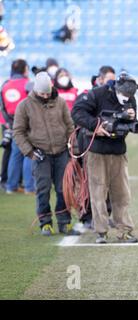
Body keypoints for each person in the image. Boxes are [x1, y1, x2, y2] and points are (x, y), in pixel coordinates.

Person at [71, 72, 138, 244]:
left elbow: (130, 123)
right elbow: (77, 112)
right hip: (97, 151)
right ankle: (101, 231)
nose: (126, 99)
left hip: (118, 150)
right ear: (117, 88)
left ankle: (125, 230)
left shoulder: (131, 99)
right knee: (98, 192)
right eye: (124, 95)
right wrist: (96, 125)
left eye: (129, 97)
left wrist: (131, 117)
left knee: (122, 193)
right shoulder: (97, 94)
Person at [13, 72, 79, 236]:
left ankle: (64, 222)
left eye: (47, 93)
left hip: (62, 152)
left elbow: (70, 126)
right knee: (42, 190)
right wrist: (31, 152)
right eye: (42, 93)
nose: (45, 96)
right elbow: (18, 132)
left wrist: (73, 147)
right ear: (35, 90)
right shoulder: (24, 106)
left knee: (64, 189)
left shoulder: (61, 102)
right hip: (40, 154)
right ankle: (45, 223)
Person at [1, 59, 34, 194]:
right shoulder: (28, 84)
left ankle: (11, 186)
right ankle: (29, 187)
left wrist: (9, 122)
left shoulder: (5, 85)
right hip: (28, 123)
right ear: (25, 69)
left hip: (12, 123)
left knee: (15, 154)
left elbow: (2, 106)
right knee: (29, 153)